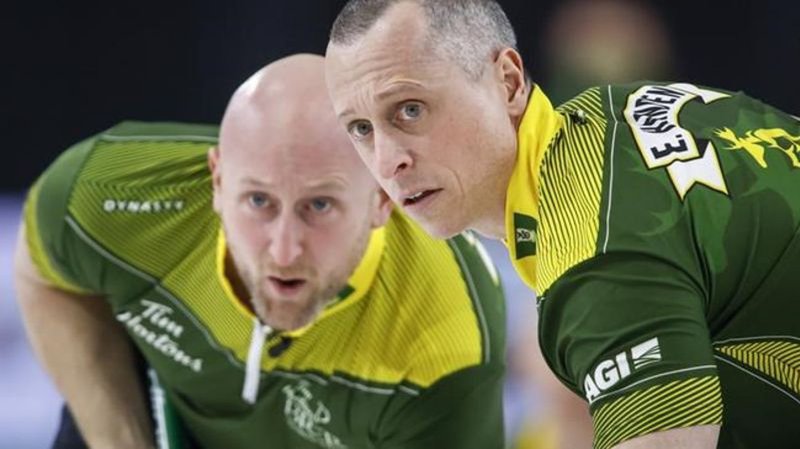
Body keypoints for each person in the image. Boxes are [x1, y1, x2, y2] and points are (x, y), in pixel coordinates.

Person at [323, 1, 800, 448]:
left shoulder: (593, 247)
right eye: (361, 129)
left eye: (410, 110)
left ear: (508, 83)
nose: (386, 162)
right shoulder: (606, 119)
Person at [14, 53, 506, 449]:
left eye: (319, 205)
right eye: (258, 201)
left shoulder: (448, 338)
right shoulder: (104, 193)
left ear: (382, 198)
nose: (284, 249)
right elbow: (43, 275)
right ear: (218, 181)